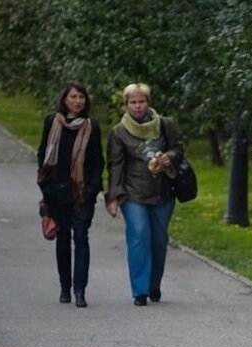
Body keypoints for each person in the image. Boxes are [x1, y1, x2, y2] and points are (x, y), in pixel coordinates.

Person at [105, 83, 183, 306]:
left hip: (162, 193)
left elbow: (179, 149)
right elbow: (116, 166)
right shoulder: (118, 132)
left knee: (159, 241)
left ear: (148, 103)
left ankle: (153, 285)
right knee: (139, 236)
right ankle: (139, 290)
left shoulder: (165, 125)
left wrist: (169, 157)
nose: (138, 106)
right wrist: (113, 197)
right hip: (133, 194)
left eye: (141, 101)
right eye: (133, 102)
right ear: (126, 105)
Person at [37, 81, 104, 308]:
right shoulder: (52, 122)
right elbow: (43, 155)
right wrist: (46, 187)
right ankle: (64, 288)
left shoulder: (91, 127)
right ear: (65, 99)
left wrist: (92, 188)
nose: (77, 101)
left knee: (81, 238)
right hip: (56, 191)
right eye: (73, 97)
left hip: (81, 192)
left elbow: (97, 162)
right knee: (63, 239)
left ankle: (79, 290)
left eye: (81, 97)